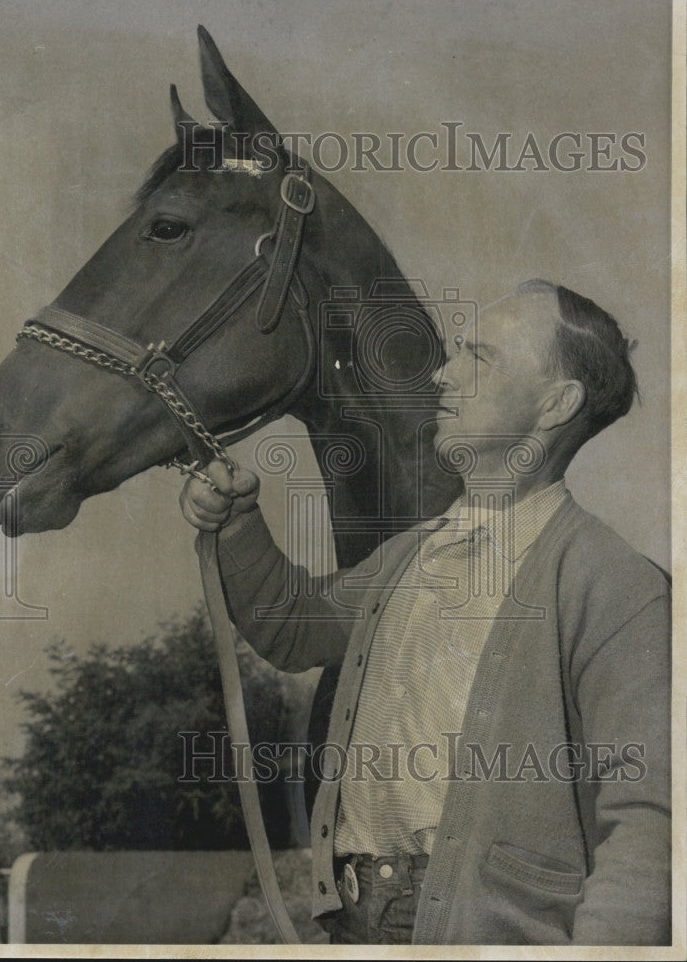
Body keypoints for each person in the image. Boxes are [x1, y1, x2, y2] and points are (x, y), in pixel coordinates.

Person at [179, 279, 671, 945]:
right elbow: (292, 626)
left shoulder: (613, 584)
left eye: (479, 356)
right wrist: (236, 523)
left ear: (556, 404)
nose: (443, 373)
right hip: (353, 921)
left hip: (480, 930)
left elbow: (649, 815)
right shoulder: (409, 557)